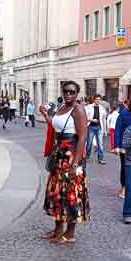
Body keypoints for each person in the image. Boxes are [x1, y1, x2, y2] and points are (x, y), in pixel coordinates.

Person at [39, 81, 89, 244]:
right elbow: (55, 125)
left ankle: (70, 233)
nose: (68, 94)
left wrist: (75, 164)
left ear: (77, 93)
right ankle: (58, 229)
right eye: (66, 91)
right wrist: (46, 115)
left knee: (70, 194)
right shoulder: (61, 107)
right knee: (57, 193)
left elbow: (82, 138)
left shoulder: (78, 110)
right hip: (58, 155)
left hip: (70, 156)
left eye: (72, 92)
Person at [114, 96, 131, 199]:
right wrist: (117, 145)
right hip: (125, 145)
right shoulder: (124, 113)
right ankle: (124, 187)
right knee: (126, 167)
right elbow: (118, 129)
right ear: (130, 102)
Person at [85, 94, 108, 164]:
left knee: (100, 144)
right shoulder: (88, 107)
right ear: (94, 100)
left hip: (99, 127)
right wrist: (92, 120)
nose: (98, 101)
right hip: (91, 127)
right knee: (89, 143)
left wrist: (105, 130)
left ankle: (100, 159)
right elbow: (85, 117)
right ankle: (87, 157)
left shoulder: (102, 108)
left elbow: (104, 119)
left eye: (99, 100)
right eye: (97, 99)